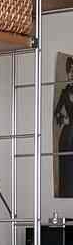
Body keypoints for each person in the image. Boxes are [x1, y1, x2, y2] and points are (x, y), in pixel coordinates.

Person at [54, 56, 73, 197]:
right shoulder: (64, 92)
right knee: (66, 168)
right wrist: (63, 119)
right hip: (67, 137)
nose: (71, 73)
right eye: (69, 70)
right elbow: (56, 113)